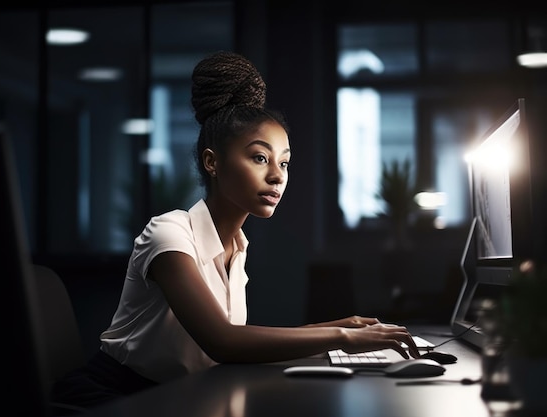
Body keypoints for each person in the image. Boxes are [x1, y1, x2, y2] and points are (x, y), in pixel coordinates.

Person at [52, 50, 420, 410]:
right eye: (260, 157)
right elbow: (223, 342)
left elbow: (242, 341)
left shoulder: (237, 249)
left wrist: (344, 326)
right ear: (212, 162)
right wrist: (343, 337)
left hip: (178, 397)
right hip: (113, 397)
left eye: (285, 162)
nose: (277, 176)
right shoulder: (169, 234)